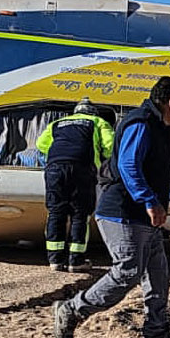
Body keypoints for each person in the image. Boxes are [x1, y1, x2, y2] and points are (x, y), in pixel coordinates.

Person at [52, 77, 170, 338]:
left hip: (142, 216)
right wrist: (150, 201)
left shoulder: (157, 127)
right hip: (122, 212)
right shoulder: (141, 123)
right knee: (127, 272)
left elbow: (151, 171)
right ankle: (72, 310)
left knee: (157, 274)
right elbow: (129, 166)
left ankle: (156, 334)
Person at [36, 98, 115, 273]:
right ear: (92, 112)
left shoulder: (57, 123)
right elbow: (110, 147)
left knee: (56, 212)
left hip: (55, 169)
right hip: (82, 169)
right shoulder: (98, 122)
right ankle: (76, 261)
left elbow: (41, 145)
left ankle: (55, 261)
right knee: (80, 214)